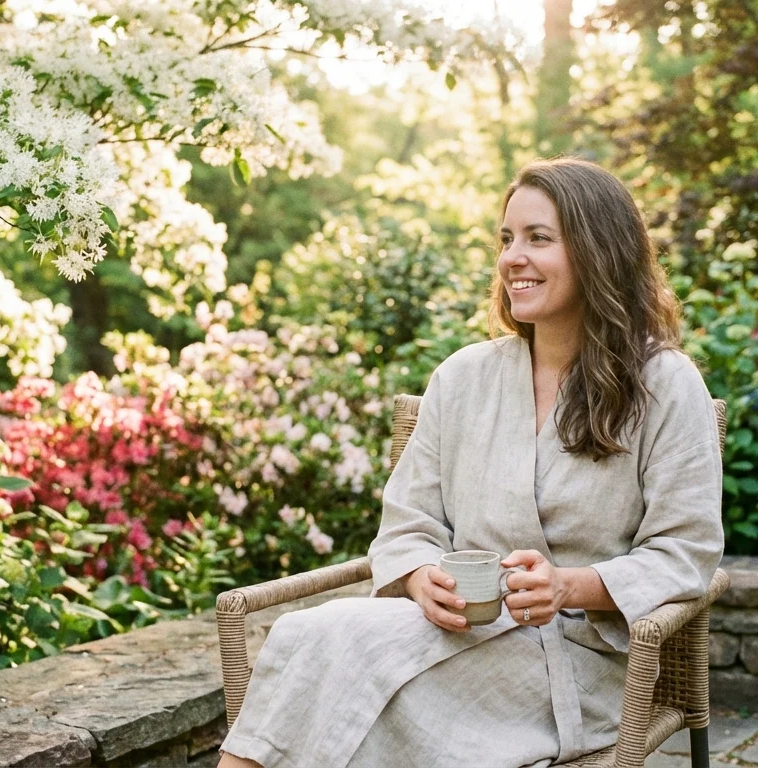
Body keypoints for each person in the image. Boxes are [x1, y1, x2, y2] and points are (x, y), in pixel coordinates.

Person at [217, 158, 724, 768]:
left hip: (577, 665)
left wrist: (569, 586)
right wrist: (417, 577)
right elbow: (409, 523)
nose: (513, 257)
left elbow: (686, 551)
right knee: (309, 636)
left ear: (600, 251)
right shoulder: (462, 377)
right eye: (506, 239)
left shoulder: (665, 385)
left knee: (354, 676)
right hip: (450, 632)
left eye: (539, 238)